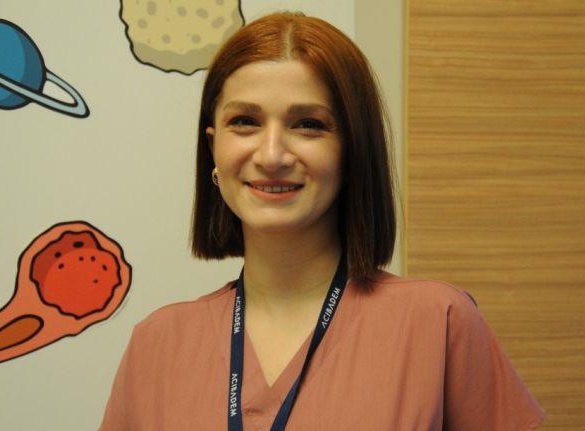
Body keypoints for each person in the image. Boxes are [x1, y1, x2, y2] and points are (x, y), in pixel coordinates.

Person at [99, 11, 544, 431]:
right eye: (245, 121)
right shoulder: (156, 344)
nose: (271, 155)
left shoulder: (438, 322)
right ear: (213, 148)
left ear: (351, 150)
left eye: (308, 124)